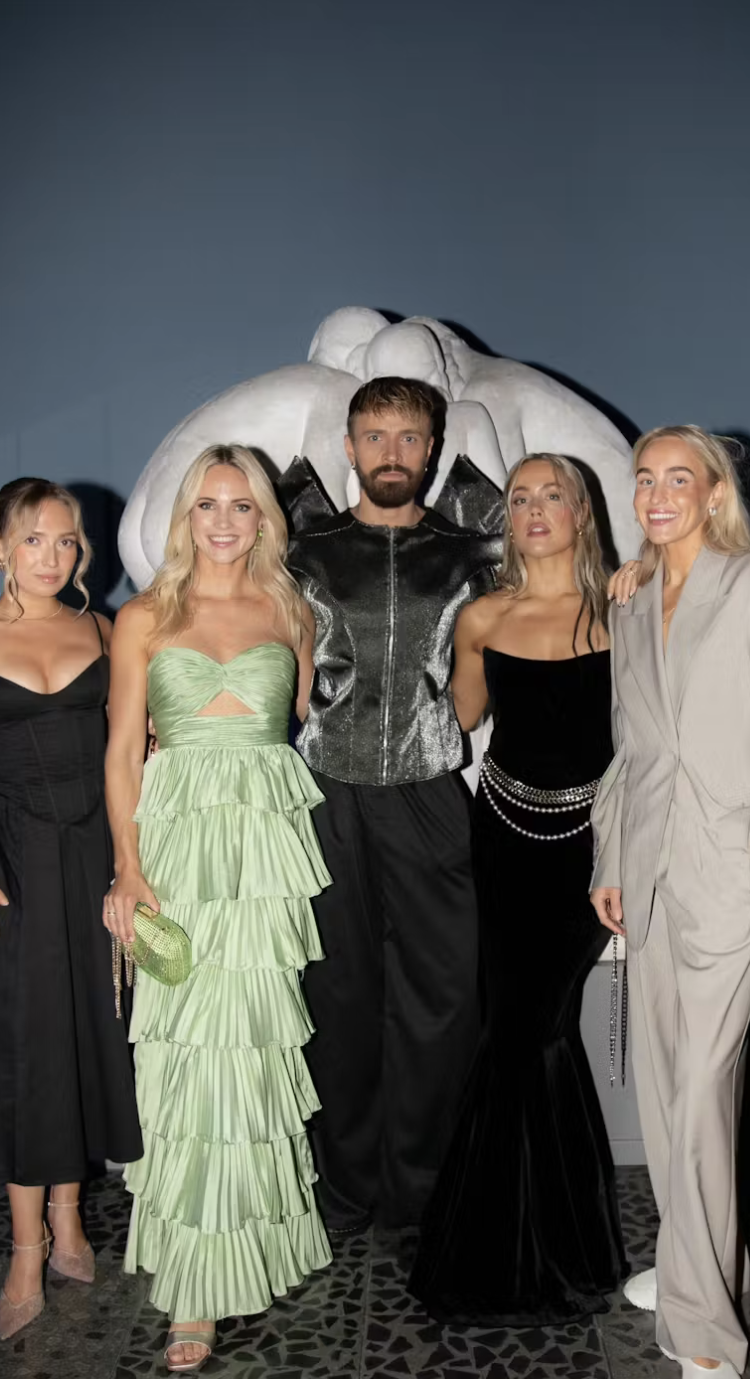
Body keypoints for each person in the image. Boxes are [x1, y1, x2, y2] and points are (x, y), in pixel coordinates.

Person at [590, 426, 750, 1379]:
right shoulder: (635, 596)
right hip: (644, 870)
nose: (653, 493)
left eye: (675, 478)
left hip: (729, 874)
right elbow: (627, 750)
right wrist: (609, 859)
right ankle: (696, 1258)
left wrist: (748, 852)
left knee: (699, 1091)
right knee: (662, 1083)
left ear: (715, 490)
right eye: (643, 478)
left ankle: (703, 1330)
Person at [103, 443, 331, 1373]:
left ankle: (256, 1243)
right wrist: (127, 868)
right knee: (184, 1056)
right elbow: (122, 751)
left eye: (243, 505)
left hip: (265, 860)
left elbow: (297, 724)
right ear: (185, 517)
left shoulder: (291, 607)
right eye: (209, 505)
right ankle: (192, 1290)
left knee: (258, 1047)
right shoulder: (144, 618)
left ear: (266, 518)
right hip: (176, 852)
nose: (227, 521)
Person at [0, 478, 142, 1341]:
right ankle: (22, 1246)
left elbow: (132, 746)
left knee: (91, 1028)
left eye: (69, 542)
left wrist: (131, 862)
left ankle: (73, 1216)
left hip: (93, 854)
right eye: (37, 540)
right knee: (20, 1046)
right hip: (5, 858)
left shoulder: (102, 630)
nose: (55, 557)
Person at [408, 454, 627, 1322]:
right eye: (521, 498)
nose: (535, 510)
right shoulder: (483, 616)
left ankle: (506, 1241)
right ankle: (558, 1240)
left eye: (553, 496)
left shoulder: (626, 610)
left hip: (590, 845)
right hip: (499, 835)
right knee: (521, 1027)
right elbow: (457, 722)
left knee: (531, 1028)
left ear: (583, 511)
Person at [288, 376, 500, 1234]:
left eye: (408, 438)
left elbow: (479, 689)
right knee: (334, 993)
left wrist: (431, 732)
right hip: (327, 794)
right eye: (374, 437)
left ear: (432, 448)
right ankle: (343, 1188)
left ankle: (423, 1186)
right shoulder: (306, 553)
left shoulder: (466, 553)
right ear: (349, 447)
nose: (390, 453)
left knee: (443, 994)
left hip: (428, 797)